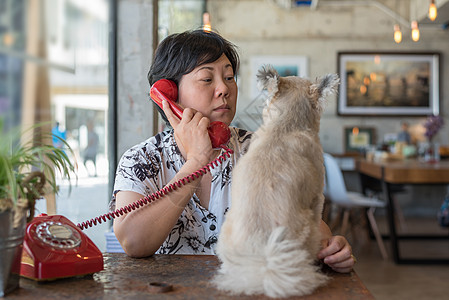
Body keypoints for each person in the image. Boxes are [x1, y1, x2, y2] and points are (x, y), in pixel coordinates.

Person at [110, 29, 355, 273]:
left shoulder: (261, 148)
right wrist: (196, 162)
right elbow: (134, 242)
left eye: (229, 78)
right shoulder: (142, 159)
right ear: (169, 93)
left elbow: (307, 224)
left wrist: (331, 248)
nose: (224, 89)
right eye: (207, 79)